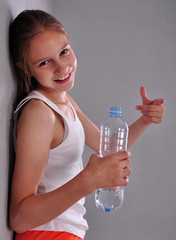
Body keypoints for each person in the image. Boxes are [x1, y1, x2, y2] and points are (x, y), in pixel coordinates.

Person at [9, 9, 165, 240]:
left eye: (64, 52)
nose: (62, 68)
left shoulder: (63, 100)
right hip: (46, 234)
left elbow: (106, 146)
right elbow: (19, 218)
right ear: (24, 66)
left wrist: (145, 120)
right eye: (44, 62)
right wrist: (89, 181)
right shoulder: (39, 114)